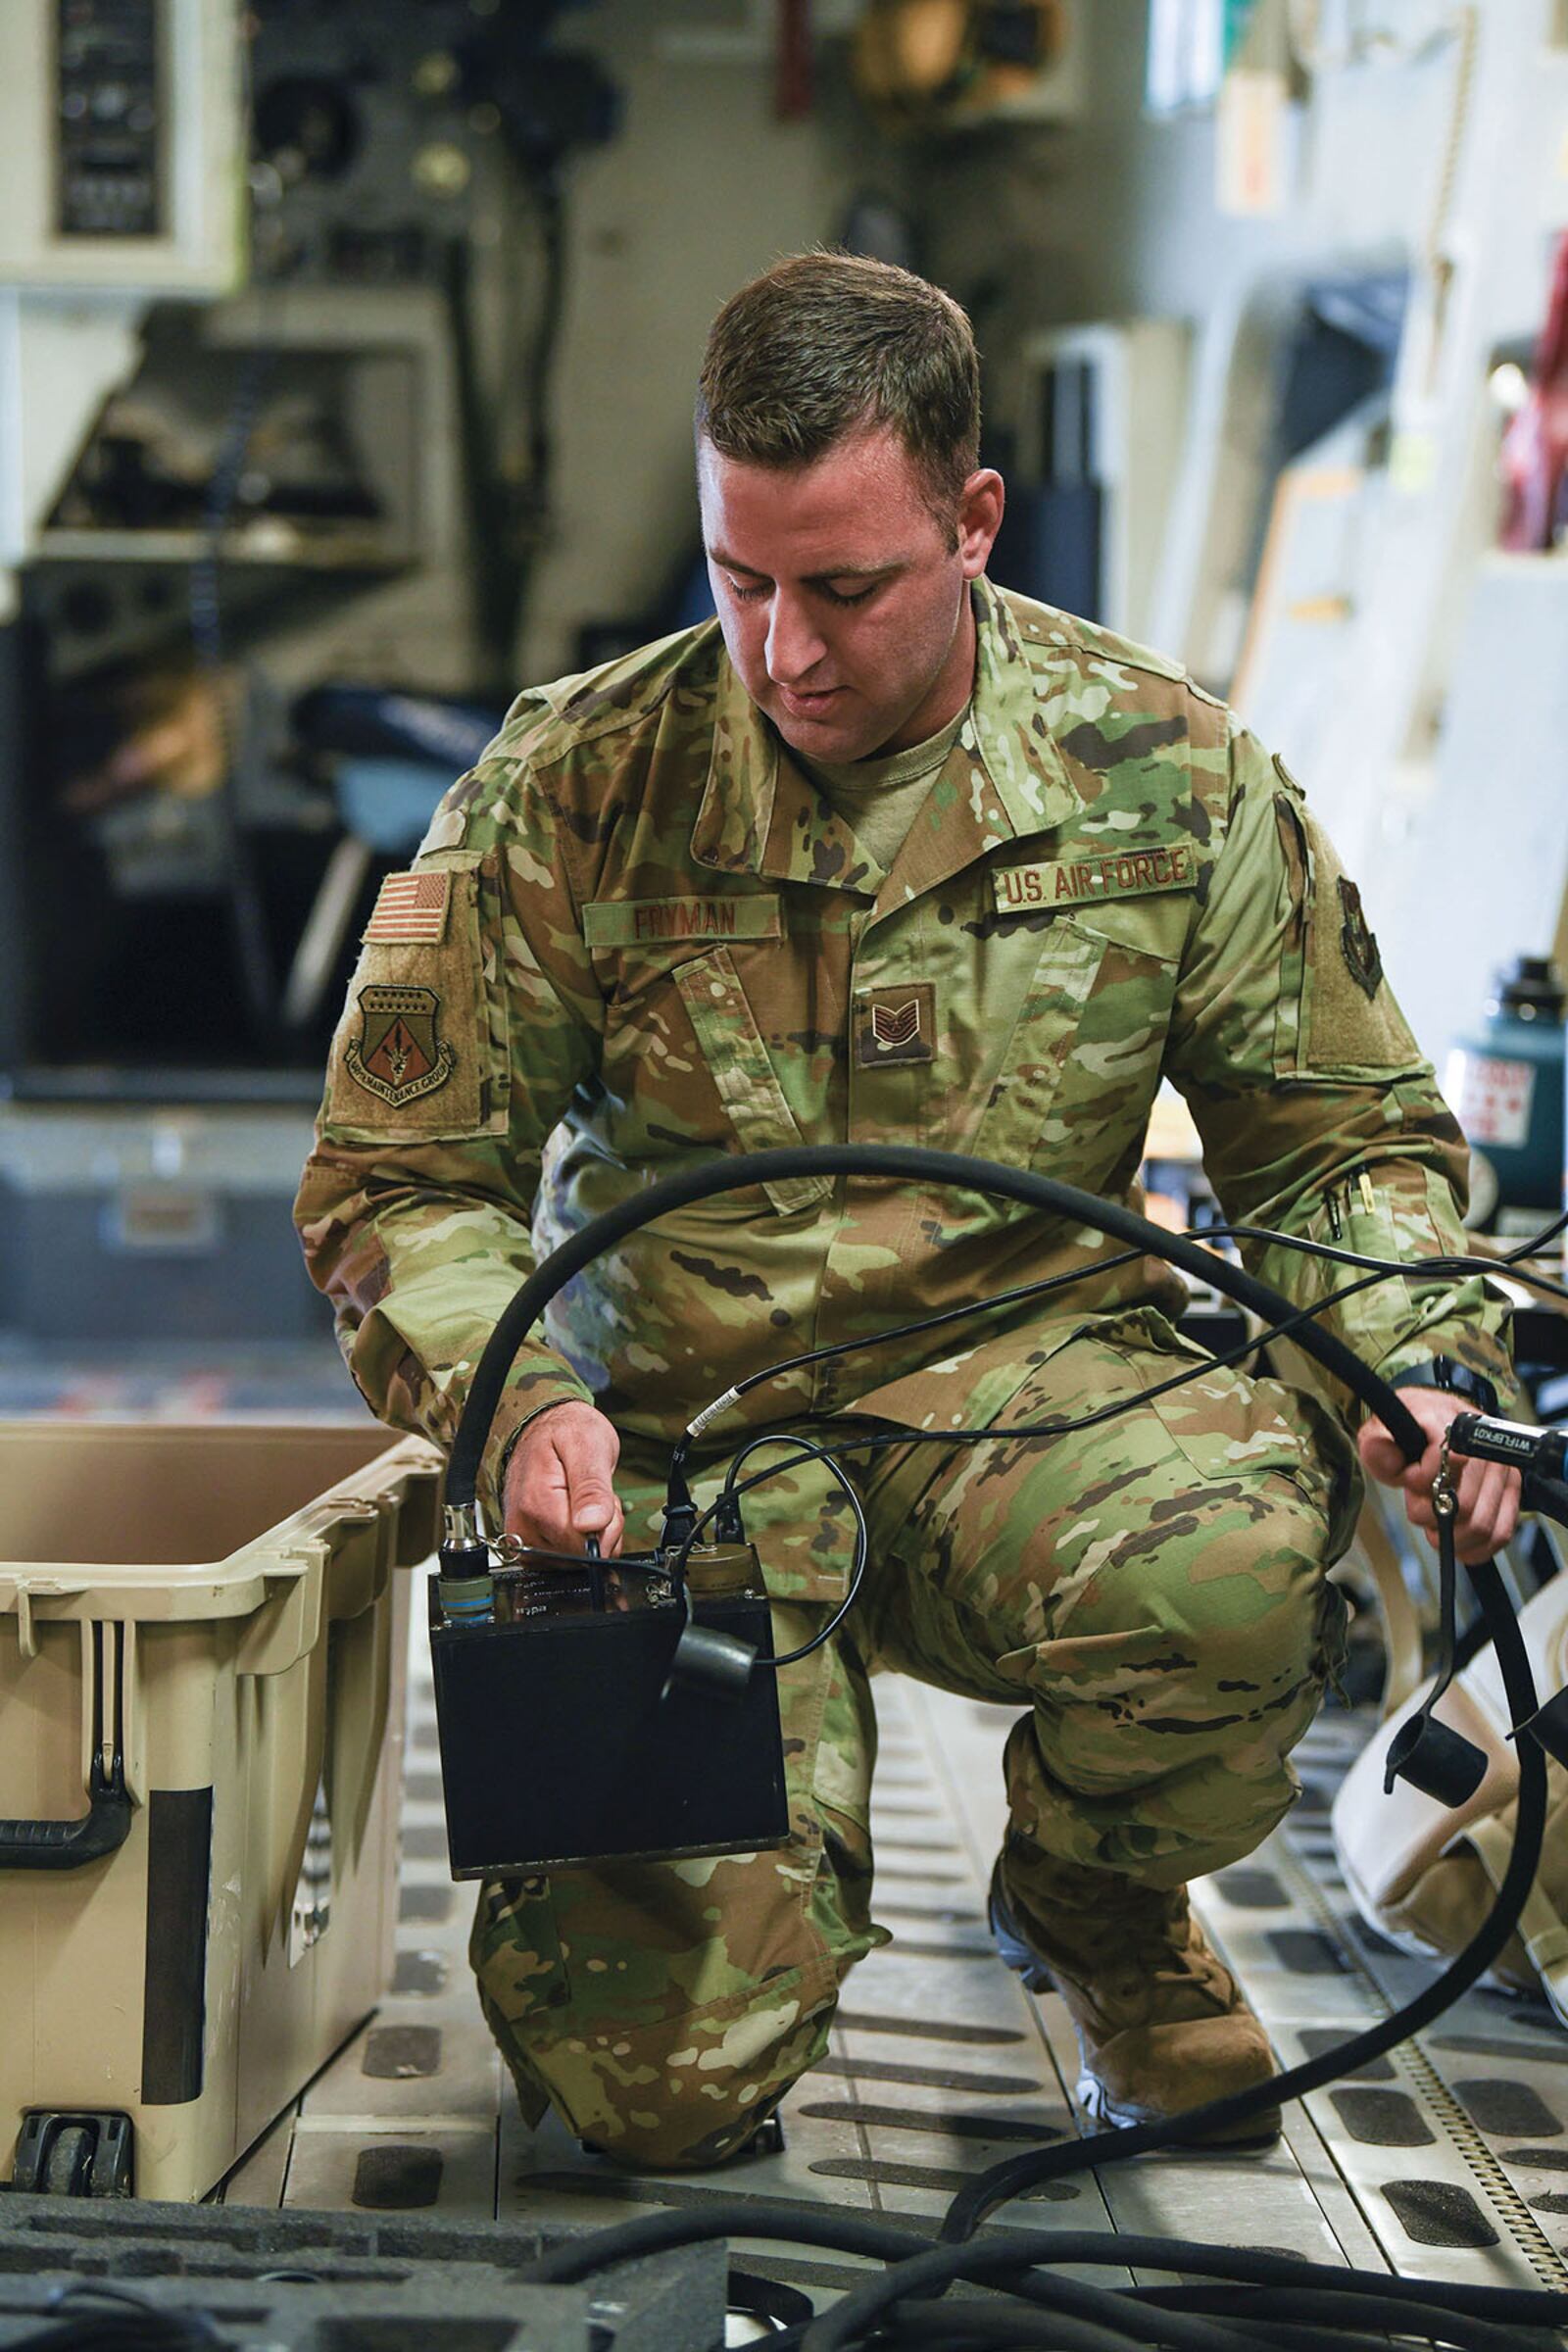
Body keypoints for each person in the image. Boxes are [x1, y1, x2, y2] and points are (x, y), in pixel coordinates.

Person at [295, 251, 1520, 2171]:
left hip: (1029, 1404)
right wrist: (514, 1403)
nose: (779, 648)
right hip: (682, 1444)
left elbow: (1332, 1142)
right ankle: (739, 1901)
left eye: (842, 587)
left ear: (968, 522)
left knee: (1231, 1563)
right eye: (737, 575)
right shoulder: (577, 778)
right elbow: (403, 1174)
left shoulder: (1162, 775)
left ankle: (1095, 1909)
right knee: (648, 2107)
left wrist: (1412, 1362)